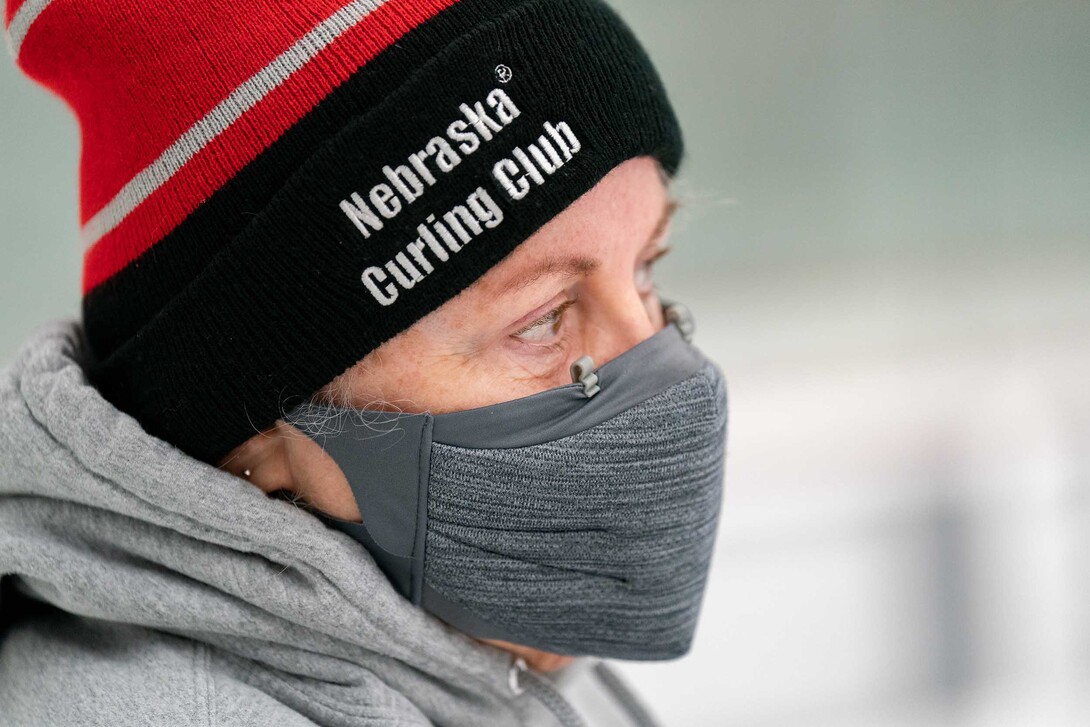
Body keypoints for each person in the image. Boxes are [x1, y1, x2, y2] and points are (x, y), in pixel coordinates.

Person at [0, 0, 728, 725]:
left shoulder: (469, 634)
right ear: (260, 438)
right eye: (542, 320)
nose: (663, 369)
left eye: (646, 268)